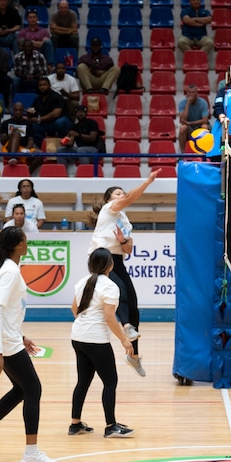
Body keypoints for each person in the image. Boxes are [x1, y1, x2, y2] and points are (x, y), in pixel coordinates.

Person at [0, 226, 59, 462]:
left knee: (21, 389)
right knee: (33, 389)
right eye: (25, 240)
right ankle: (31, 454)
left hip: (7, 336)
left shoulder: (9, 268)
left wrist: (21, 335)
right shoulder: (9, 271)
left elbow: (8, 313)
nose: (27, 243)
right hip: (2, 340)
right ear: (18, 244)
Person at [93, 170, 159, 376]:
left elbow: (128, 249)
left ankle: (134, 355)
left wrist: (123, 240)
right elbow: (130, 198)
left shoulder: (125, 220)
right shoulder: (108, 210)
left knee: (133, 304)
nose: (121, 196)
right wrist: (148, 181)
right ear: (109, 199)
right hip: (101, 256)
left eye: (122, 193)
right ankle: (126, 326)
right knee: (118, 291)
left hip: (117, 259)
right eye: (117, 193)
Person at [69, 248, 138, 439]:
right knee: (110, 381)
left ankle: (75, 424)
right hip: (96, 340)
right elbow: (109, 317)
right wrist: (124, 340)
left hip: (78, 337)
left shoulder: (83, 281)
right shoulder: (110, 286)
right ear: (111, 264)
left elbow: (74, 308)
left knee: (83, 381)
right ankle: (110, 426)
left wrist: (84, 324)